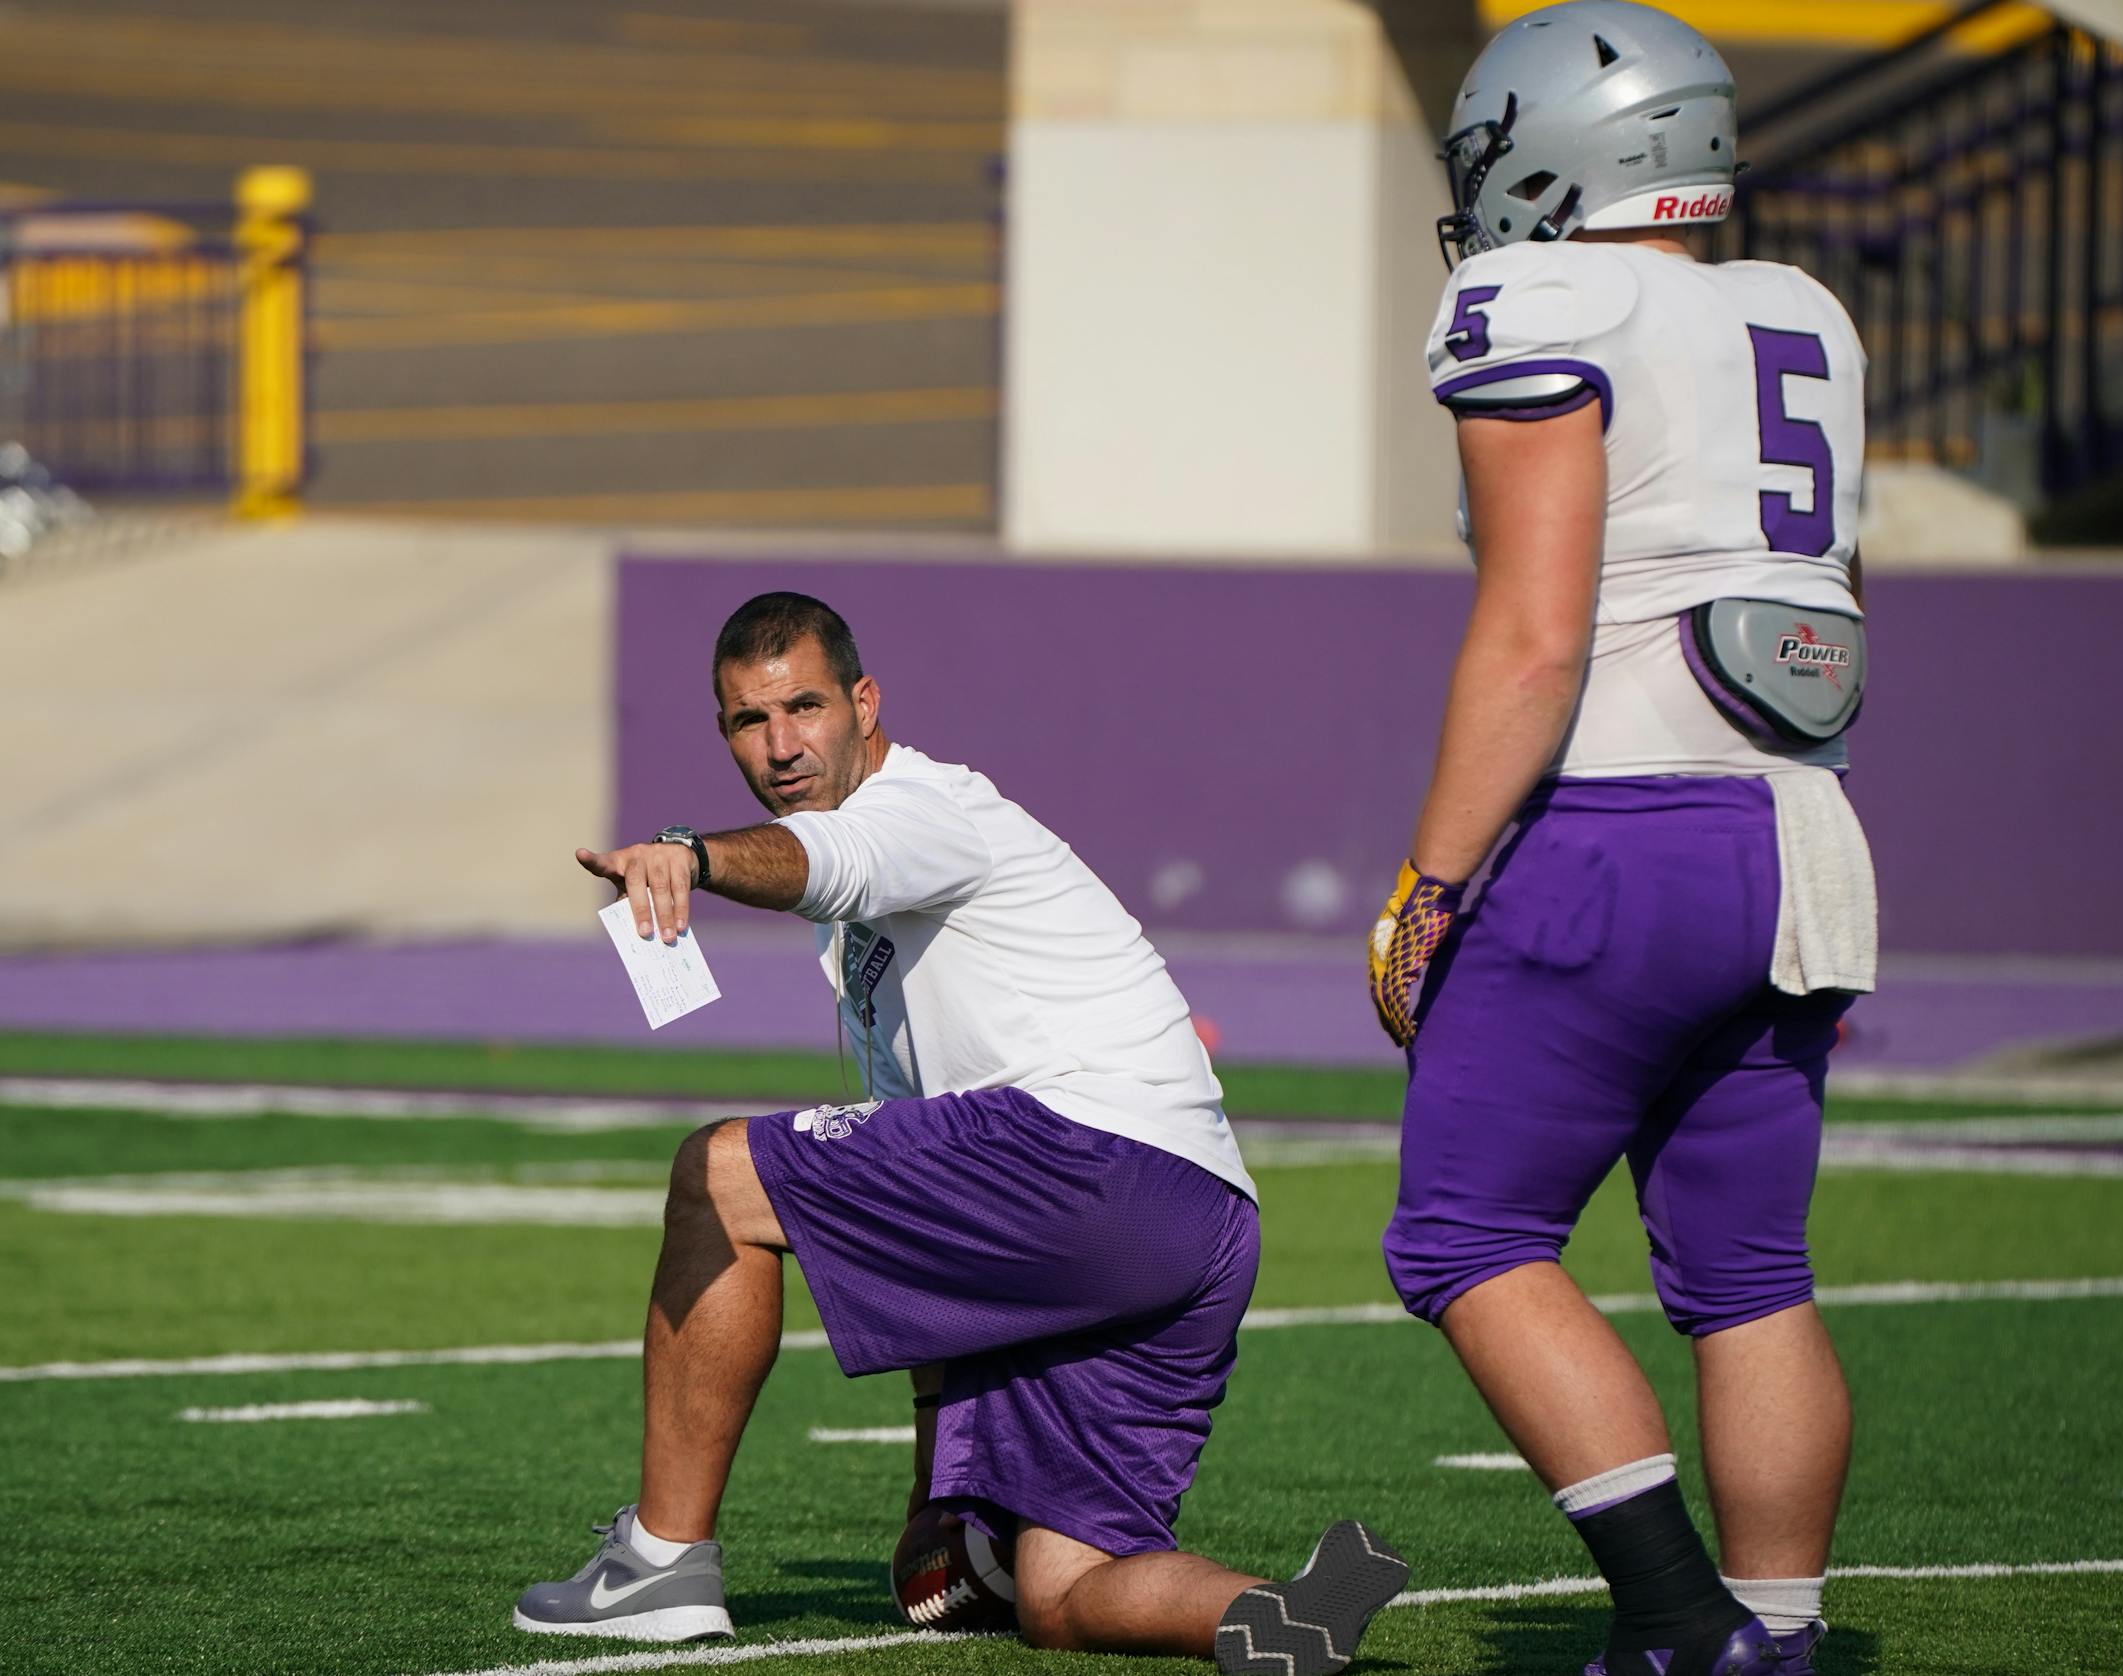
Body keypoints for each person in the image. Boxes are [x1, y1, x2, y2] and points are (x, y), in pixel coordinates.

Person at [514, 591, 1409, 1673]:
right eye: (752, 720)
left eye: (805, 705)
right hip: (1199, 1221)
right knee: (1062, 1590)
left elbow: (823, 862)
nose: (783, 742)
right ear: (725, 732)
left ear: (863, 699)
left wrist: (686, 855)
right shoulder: (869, 928)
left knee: (718, 1171)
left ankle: (658, 1562)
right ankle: (1273, 1609)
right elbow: (932, 1230)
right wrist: (932, 1499)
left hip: (1087, 1157)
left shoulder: (927, 806)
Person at [1366, 6, 1877, 1675]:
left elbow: (1534, 633)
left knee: (1462, 1234)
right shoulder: (1799, 314)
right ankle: (1779, 1637)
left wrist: (1433, 877)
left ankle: (1678, 1623)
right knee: (1748, 1269)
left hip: (1620, 831)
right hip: (1801, 839)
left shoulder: (1539, 293)